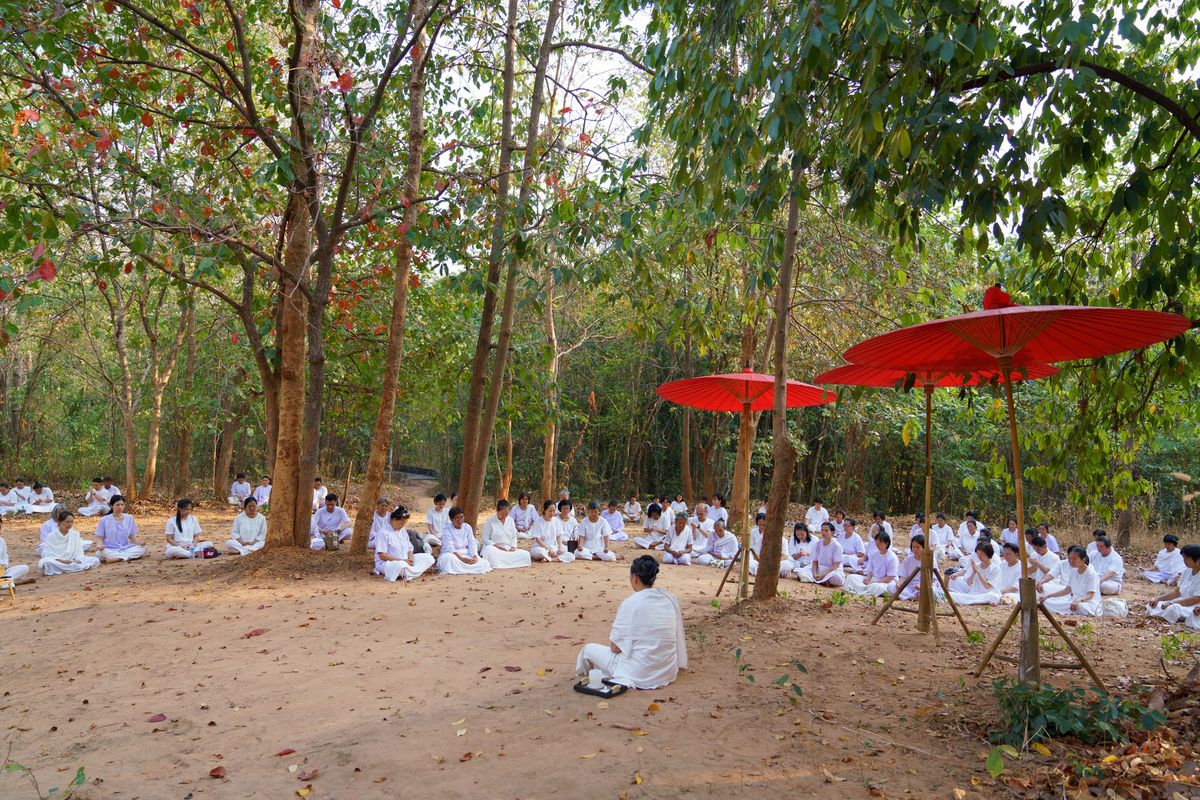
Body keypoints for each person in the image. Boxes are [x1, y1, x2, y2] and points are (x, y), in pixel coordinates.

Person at [576, 555, 687, 689]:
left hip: (638, 674)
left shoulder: (631, 603)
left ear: (635, 578)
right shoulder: (669, 598)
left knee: (588, 650)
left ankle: (590, 675)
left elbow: (615, 648)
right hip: (666, 671)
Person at [375, 506, 435, 582]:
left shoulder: (402, 530)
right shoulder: (383, 532)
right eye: (401, 523)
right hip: (388, 563)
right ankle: (418, 571)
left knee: (427, 557)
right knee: (400, 566)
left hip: (405, 561)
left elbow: (409, 547)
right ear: (393, 520)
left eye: (404, 523)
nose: (402, 526)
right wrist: (402, 560)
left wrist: (411, 558)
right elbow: (382, 556)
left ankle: (413, 572)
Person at [1147, 544, 1200, 629]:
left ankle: (1164, 616)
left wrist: (1173, 603)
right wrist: (1158, 599)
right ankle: (1164, 615)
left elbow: (1196, 599)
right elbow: (1177, 592)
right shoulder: (1187, 571)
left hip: (1194, 607)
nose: (1184, 561)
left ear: (1198, 560)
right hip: (1181, 603)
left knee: (1173, 608)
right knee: (1154, 604)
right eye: (1184, 558)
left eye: (1187, 559)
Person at [1039, 546, 1103, 617]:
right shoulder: (1073, 571)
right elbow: (1067, 590)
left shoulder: (1091, 574)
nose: (1071, 561)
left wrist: (1078, 600)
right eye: (1070, 558)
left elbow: (1090, 594)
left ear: (1083, 560)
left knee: (1081, 607)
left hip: (1089, 603)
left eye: (1075, 559)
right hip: (1074, 601)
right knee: (1047, 602)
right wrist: (1049, 596)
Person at [437, 507, 492, 575]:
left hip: (467, 554)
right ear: (451, 519)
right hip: (454, 555)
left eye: (462, 517)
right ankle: (466, 568)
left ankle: (463, 569)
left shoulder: (467, 527)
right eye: (457, 518)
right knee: (448, 559)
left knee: (485, 563)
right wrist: (462, 559)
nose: (460, 520)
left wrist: (474, 556)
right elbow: (449, 547)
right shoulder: (447, 529)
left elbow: (472, 543)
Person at [843, 530, 900, 596]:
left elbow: (890, 577)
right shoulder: (875, 554)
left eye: (880, 544)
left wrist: (876, 582)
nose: (878, 546)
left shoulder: (892, 557)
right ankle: (864, 590)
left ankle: (863, 591)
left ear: (886, 543)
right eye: (877, 544)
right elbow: (870, 570)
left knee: (876, 587)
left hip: (885, 582)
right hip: (873, 579)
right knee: (851, 577)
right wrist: (868, 578)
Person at [481, 499, 532, 569]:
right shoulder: (490, 521)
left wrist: (513, 547)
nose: (504, 516)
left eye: (506, 514)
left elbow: (514, 536)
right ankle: (503, 562)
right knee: (489, 550)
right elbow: (485, 539)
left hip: (507, 549)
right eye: (502, 514)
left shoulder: (510, 520)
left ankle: (504, 562)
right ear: (497, 511)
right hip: (494, 549)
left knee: (526, 554)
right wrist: (497, 546)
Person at [95, 496, 147, 562]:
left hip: (125, 548)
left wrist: (139, 543)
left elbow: (131, 536)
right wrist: (99, 546)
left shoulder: (129, 518)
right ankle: (126, 557)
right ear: (111, 506)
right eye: (117, 505)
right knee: (99, 553)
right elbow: (100, 537)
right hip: (110, 549)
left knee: (144, 548)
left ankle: (119, 558)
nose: (120, 507)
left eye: (122, 505)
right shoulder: (104, 520)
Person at [749, 513, 794, 578]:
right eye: (760, 525)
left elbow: (785, 555)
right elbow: (756, 552)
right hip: (761, 562)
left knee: (787, 565)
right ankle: (768, 573)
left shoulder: (783, 540)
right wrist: (763, 562)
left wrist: (774, 563)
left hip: (776, 564)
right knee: (750, 563)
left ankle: (765, 573)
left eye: (764, 525)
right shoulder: (762, 539)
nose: (761, 527)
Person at [898, 535, 941, 602]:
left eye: (918, 547)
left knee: (930, 591)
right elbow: (903, 576)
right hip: (910, 587)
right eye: (913, 547)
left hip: (924, 586)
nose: (915, 549)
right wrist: (899, 583)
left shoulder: (930, 560)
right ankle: (914, 597)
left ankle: (909, 597)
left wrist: (921, 585)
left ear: (924, 547)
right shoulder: (908, 559)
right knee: (891, 587)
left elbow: (933, 578)